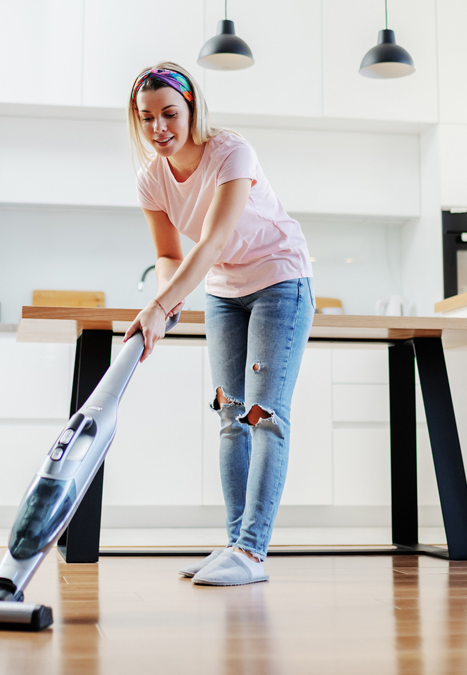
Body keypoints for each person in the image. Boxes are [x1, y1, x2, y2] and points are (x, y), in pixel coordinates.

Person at [123, 62, 314, 586]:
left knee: (264, 413)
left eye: (169, 114)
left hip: (280, 279)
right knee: (232, 415)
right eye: (147, 118)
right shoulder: (151, 181)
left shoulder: (232, 152)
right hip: (225, 292)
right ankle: (233, 545)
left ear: (191, 111)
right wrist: (166, 301)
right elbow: (168, 253)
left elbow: (210, 240)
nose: (159, 127)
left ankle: (252, 553)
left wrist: (162, 307)